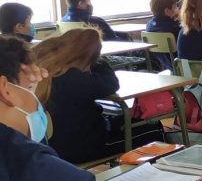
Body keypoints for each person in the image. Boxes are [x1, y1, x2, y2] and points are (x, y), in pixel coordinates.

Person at [0, 35, 202, 181]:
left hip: (72, 149)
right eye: (31, 88)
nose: (39, 99)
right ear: (6, 90)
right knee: (154, 129)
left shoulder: (30, 160)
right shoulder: (28, 168)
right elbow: (109, 82)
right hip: (89, 146)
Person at [32, 28, 164, 164]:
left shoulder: (47, 72)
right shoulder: (73, 78)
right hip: (84, 147)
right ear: (89, 57)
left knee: (126, 118)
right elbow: (112, 83)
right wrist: (98, 59)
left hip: (56, 145)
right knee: (153, 127)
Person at [146, 0, 182, 70]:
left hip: (167, 66)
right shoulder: (175, 28)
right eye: (176, 6)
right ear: (167, 11)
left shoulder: (149, 25)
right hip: (181, 66)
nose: (178, 9)